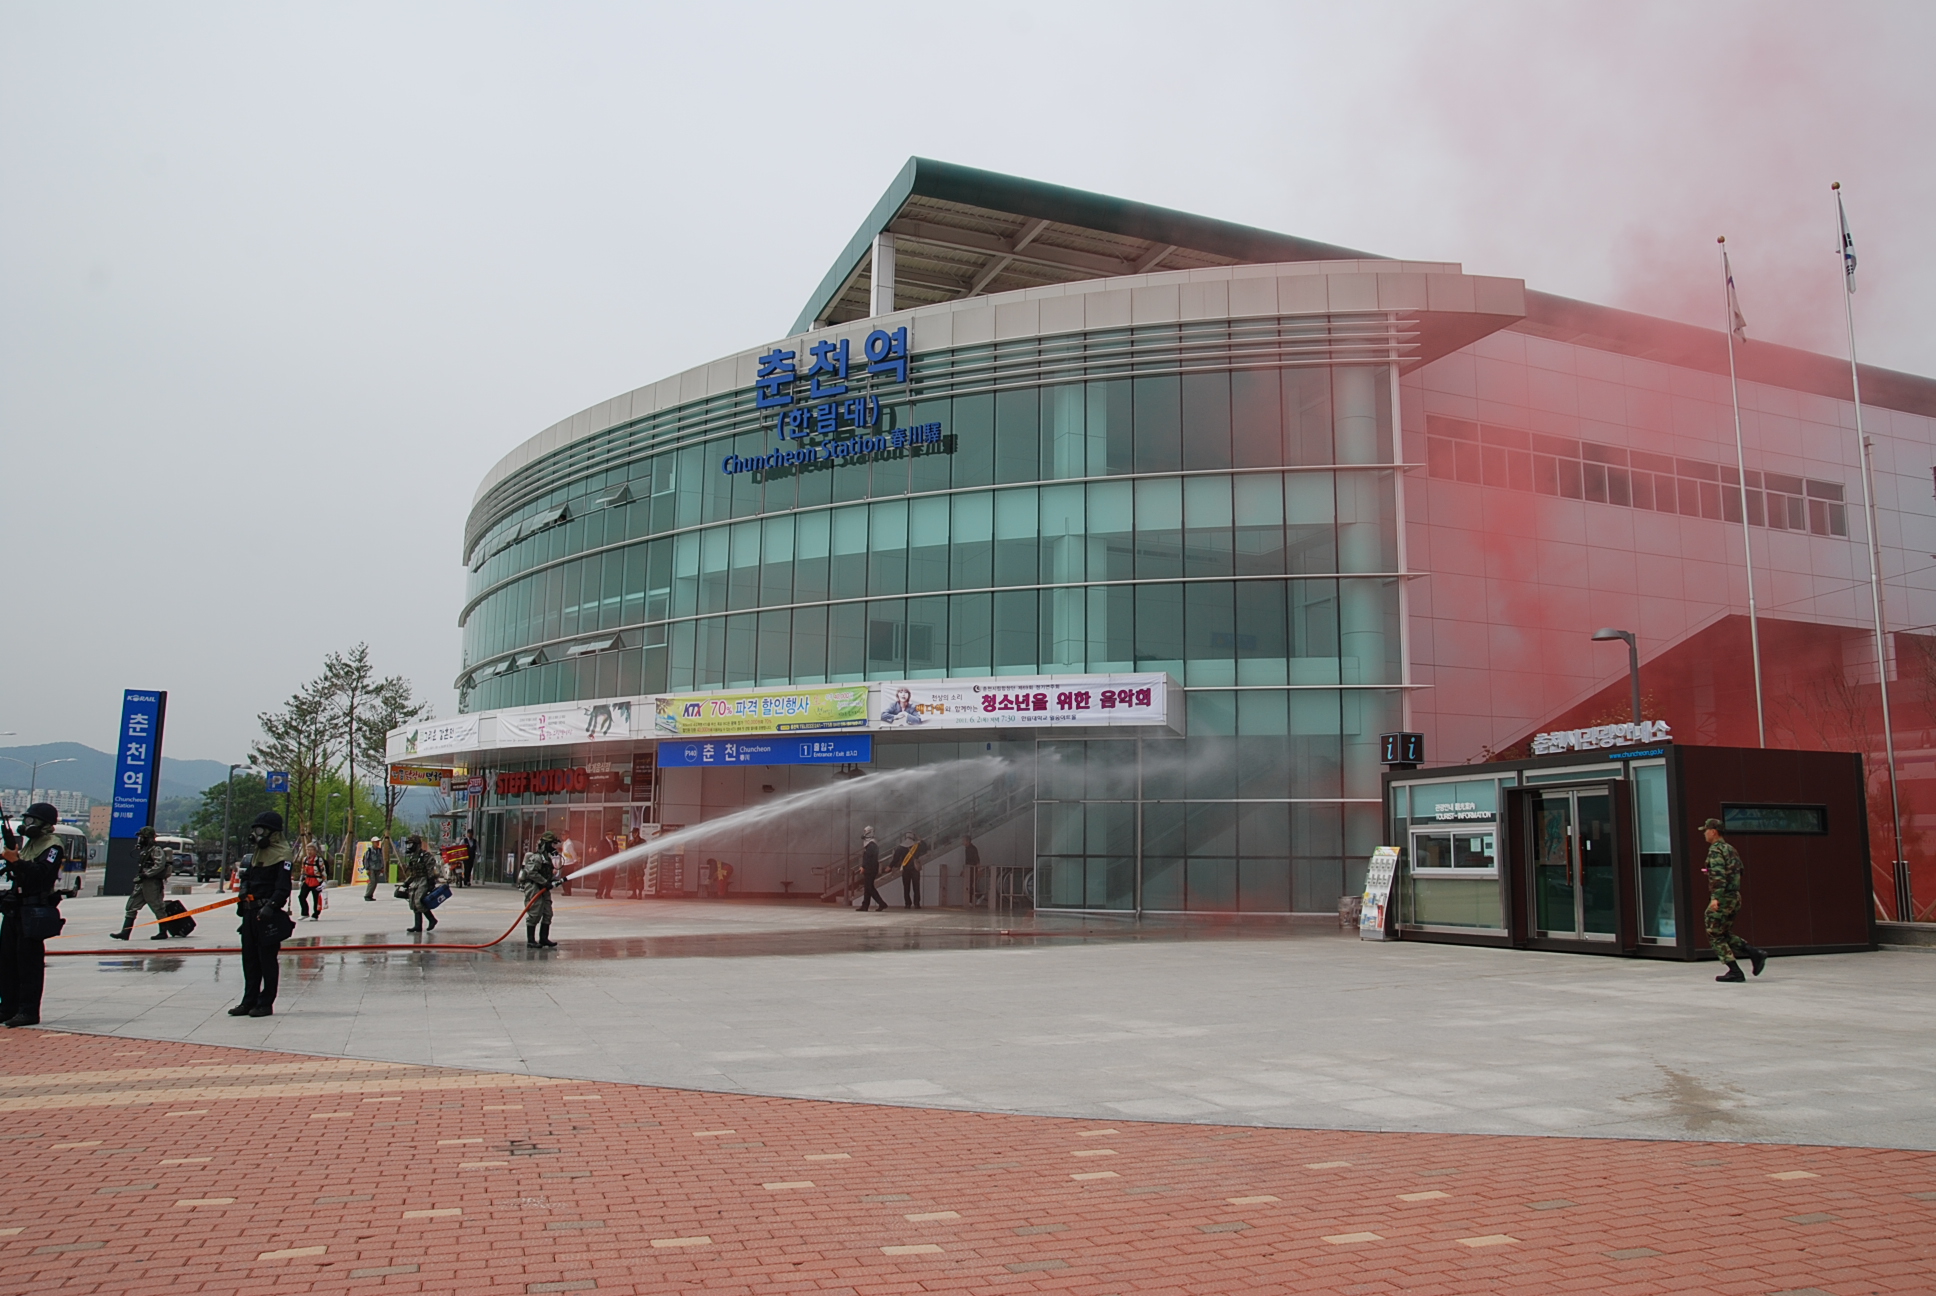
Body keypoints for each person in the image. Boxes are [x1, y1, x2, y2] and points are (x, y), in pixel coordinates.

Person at [0, 802, 68, 1027]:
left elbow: (41, 874)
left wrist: (17, 862)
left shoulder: (52, 846)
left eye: (31, 820)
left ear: (45, 824)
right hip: (16, 908)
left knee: (28, 963)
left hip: (34, 910)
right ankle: (7, 1008)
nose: (27, 824)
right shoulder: (30, 845)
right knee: (7, 961)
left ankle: (28, 1011)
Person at [230, 811, 294, 1018]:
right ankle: (248, 1000)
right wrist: (243, 893)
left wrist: (271, 906)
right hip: (250, 912)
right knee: (249, 959)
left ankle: (265, 1003)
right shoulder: (257, 854)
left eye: (261, 831)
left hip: (267, 914)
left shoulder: (282, 855)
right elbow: (247, 877)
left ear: (273, 833)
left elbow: (283, 887)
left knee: (267, 960)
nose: (257, 835)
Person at [1701, 817, 1769, 983]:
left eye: (1706, 830)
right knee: (1723, 932)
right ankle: (1754, 952)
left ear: (1713, 832)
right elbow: (1738, 871)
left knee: (1714, 933)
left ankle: (1735, 970)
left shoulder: (1715, 850)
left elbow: (1719, 876)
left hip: (1723, 898)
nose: (1704, 834)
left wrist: (1715, 898)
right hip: (1734, 897)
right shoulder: (1731, 849)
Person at [111, 825, 173, 940]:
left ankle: (163, 932)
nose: (140, 840)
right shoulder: (146, 851)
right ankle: (125, 933)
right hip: (142, 883)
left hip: (152, 883)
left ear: (147, 838)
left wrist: (147, 874)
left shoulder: (156, 850)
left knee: (158, 907)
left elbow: (159, 865)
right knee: (131, 906)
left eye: (142, 837)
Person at [517, 831, 563, 948]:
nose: (553, 847)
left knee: (548, 913)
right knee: (535, 913)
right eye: (552, 844)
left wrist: (551, 881)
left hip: (544, 888)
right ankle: (531, 940)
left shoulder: (547, 858)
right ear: (545, 844)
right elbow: (531, 872)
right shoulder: (536, 857)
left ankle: (543, 938)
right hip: (534, 887)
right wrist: (544, 882)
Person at [402, 834, 442, 935]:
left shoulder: (426, 856)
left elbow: (430, 870)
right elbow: (413, 873)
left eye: (411, 844)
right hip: (416, 880)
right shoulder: (412, 857)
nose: (410, 846)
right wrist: (406, 883)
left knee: (418, 901)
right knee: (413, 902)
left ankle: (432, 919)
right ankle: (418, 925)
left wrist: (430, 881)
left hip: (424, 880)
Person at [856, 826, 887, 912]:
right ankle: (865, 906)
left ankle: (881, 903)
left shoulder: (871, 845)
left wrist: (863, 866)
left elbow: (868, 858)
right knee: (867, 887)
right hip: (871, 868)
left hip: (870, 869)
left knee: (869, 887)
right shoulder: (872, 844)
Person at [298, 843, 328, 921]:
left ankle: (315, 915)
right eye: (308, 850)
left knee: (316, 899)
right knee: (301, 896)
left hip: (317, 881)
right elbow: (303, 870)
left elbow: (323, 871)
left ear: (315, 851)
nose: (309, 851)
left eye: (311, 850)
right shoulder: (305, 859)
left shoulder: (319, 860)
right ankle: (304, 913)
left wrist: (324, 882)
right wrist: (301, 880)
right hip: (307, 880)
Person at [894, 833, 925, 909]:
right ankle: (917, 904)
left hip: (905, 869)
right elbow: (925, 848)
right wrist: (920, 839)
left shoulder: (901, 847)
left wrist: (891, 866)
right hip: (915, 869)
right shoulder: (917, 846)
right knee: (916, 887)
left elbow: (896, 857)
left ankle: (907, 904)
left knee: (906, 887)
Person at [962, 834, 982, 907]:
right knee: (969, 884)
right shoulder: (967, 849)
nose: (962, 842)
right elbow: (967, 861)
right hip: (969, 868)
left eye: (963, 841)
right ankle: (972, 899)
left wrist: (979, 869)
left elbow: (977, 859)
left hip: (972, 869)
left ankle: (976, 897)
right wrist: (964, 870)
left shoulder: (973, 849)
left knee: (970, 884)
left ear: (967, 841)